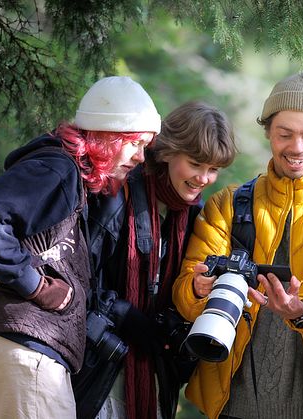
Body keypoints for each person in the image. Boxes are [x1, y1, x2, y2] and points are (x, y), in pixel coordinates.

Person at [0, 76, 161, 419]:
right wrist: (35, 285)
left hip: (29, 360)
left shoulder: (68, 178)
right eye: (136, 143)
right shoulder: (57, 169)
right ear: (109, 136)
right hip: (23, 357)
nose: (141, 157)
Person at [172, 72, 303, 419]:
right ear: (268, 131)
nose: (296, 148)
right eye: (284, 134)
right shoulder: (229, 204)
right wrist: (197, 288)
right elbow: (183, 293)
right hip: (230, 400)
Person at [81, 101, 237, 419]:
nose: (205, 178)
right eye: (196, 164)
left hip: (151, 374)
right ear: (166, 151)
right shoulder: (117, 192)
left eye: (214, 169)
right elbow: (79, 276)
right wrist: (125, 315)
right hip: (98, 364)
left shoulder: (194, 214)